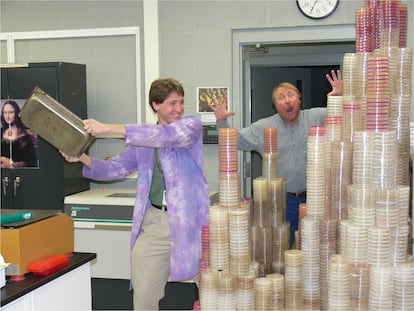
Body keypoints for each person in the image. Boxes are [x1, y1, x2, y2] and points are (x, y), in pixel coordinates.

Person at [61, 78, 210, 310]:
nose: (179, 108)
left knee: (212, 287)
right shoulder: (143, 142)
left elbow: (167, 136)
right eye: (172, 103)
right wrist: (81, 157)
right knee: (144, 294)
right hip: (156, 222)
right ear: (156, 105)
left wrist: (107, 128)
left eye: (181, 102)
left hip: (192, 222)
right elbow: (114, 168)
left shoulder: (191, 126)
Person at [209, 70, 343, 247]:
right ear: (275, 105)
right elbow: (236, 141)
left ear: (299, 99)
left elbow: (347, 119)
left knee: (317, 244)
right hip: (283, 200)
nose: (287, 100)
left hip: (318, 197)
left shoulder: (317, 116)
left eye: (291, 95)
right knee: (283, 245)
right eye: (281, 97)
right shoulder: (264, 127)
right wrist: (221, 121)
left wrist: (340, 98)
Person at [1, 100, 38, 168]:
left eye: (11, 112)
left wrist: (13, 164)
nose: (7, 116)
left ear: (16, 113)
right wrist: (2, 159)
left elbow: (31, 162)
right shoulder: (0, 133)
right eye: (5, 113)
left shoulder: (25, 137)